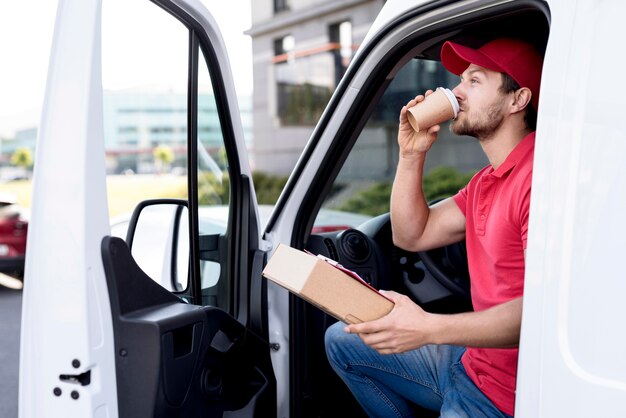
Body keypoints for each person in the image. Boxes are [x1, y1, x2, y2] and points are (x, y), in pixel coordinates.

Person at [325, 37, 544, 417]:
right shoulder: (486, 181)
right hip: (473, 364)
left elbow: (541, 311)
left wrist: (426, 328)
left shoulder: (540, 178)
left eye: (474, 81)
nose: (457, 91)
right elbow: (411, 234)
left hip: (508, 394)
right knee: (341, 342)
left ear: (517, 99)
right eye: (461, 80)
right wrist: (411, 155)